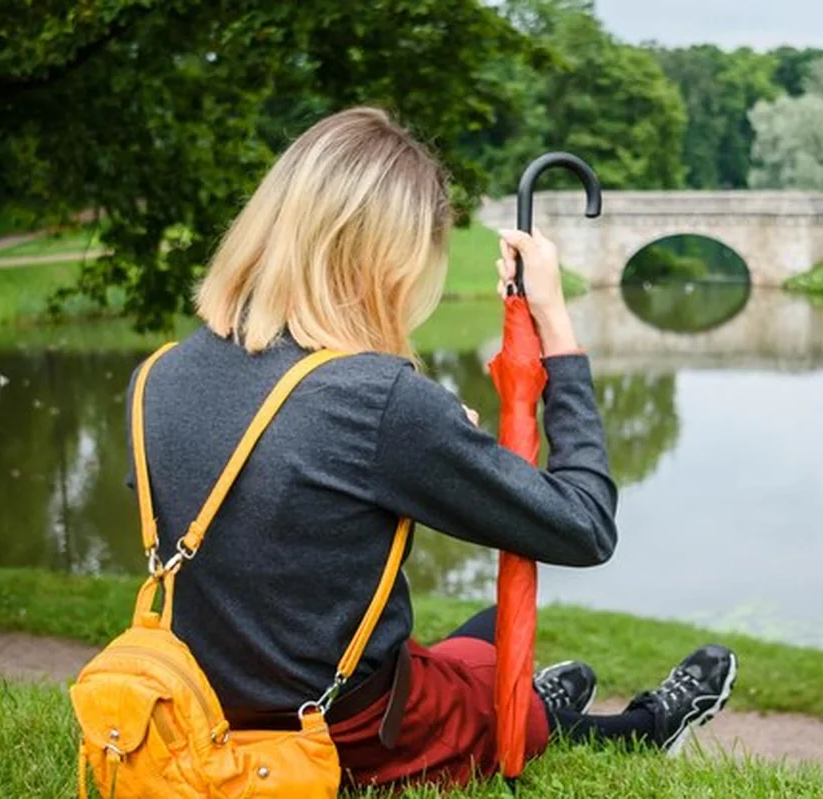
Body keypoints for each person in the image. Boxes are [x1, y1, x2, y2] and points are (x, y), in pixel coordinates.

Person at [127, 106, 737, 790]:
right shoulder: (377, 398)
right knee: (501, 681)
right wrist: (555, 326)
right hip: (343, 729)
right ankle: (643, 725)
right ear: (388, 258)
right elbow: (584, 525)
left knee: (491, 624)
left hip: (194, 706)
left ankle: (529, 695)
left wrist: (428, 446)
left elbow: (276, 519)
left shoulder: (156, 377)